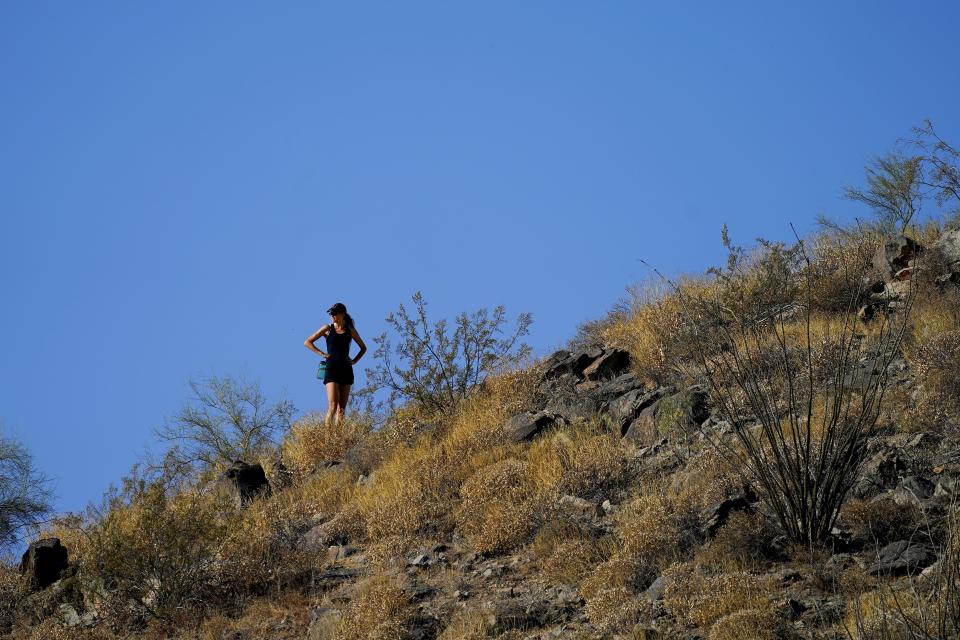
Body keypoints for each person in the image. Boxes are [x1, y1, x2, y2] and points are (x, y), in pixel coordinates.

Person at [304, 302, 367, 426]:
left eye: (334, 313)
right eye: (331, 313)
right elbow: (307, 342)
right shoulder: (327, 328)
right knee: (332, 405)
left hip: (346, 370)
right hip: (332, 369)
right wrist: (322, 354)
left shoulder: (350, 330)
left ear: (342, 314)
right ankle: (328, 438)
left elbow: (363, 348)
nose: (332, 315)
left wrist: (354, 361)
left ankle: (338, 440)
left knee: (341, 409)